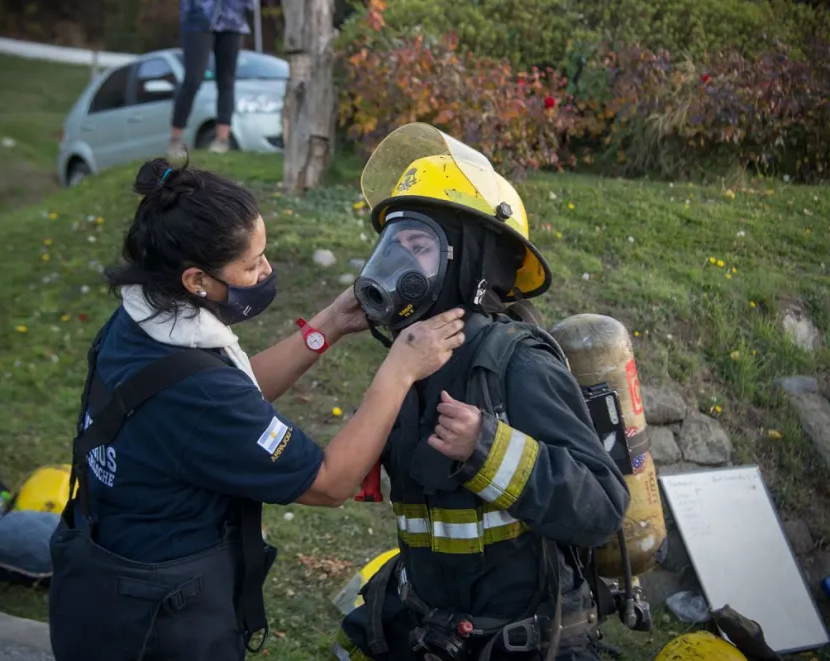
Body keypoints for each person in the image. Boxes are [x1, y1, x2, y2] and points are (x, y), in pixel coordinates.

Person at [47, 155, 467, 661]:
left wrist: (327, 325)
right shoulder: (200, 395)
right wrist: (399, 371)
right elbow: (330, 483)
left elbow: (230, 393)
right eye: (252, 264)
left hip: (100, 584)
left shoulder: (141, 321)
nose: (266, 271)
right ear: (196, 280)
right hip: (160, 622)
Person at [332, 123, 631, 661]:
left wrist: (488, 449)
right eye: (391, 246)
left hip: (517, 639)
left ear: (469, 261)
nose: (396, 265)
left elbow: (604, 507)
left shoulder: (517, 364)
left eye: (417, 246)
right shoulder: (411, 361)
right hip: (434, 628)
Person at [169, 0, 254, 158]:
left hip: (232, 18)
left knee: (226, 81)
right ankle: (176, 139)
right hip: (198, 18)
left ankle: (222, 140)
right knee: (193, 79)